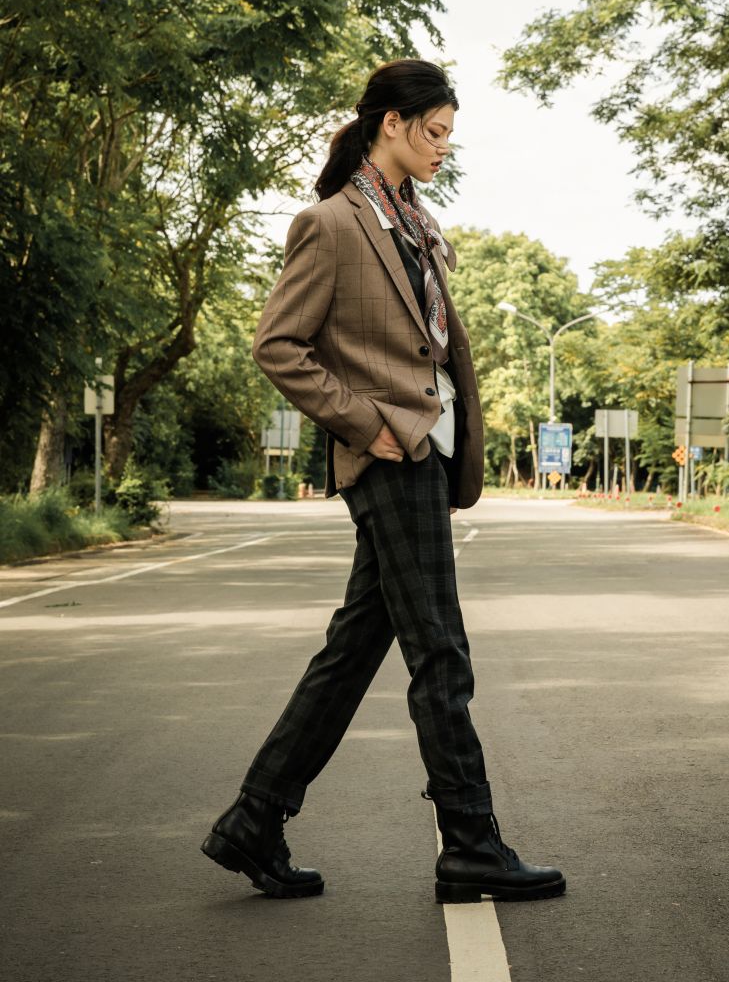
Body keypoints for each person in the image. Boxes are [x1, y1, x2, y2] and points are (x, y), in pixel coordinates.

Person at [201, 59, 565, 905]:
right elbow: (278, 346)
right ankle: (469, 842)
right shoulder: (331, 223)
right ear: (390, 124)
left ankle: (254, 818)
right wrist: (367, 426)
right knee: (439, 649)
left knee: (353, 650)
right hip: (392, 455)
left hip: (428, 454)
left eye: (449, 135)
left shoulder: (413, 222)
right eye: (433, 131)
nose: (443, 147)